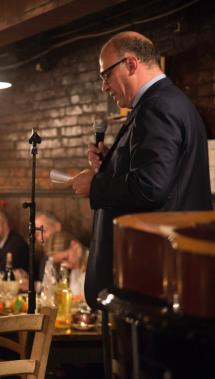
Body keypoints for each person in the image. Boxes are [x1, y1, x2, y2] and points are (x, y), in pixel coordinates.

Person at [69, 31, 213, 309]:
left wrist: (95, 185)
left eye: (106, 75)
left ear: (132, 64)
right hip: (159, 276)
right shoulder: (167, 102)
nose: (104, 87)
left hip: (150, 278)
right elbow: (159, 175)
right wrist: (111, 164)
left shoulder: (157, 107)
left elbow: (150, 188)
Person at [45, 231, 88, 303]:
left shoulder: (94, 265)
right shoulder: (75, 270)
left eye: (65, 258)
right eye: (60, 262)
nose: (65, 264)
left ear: (74, 245)